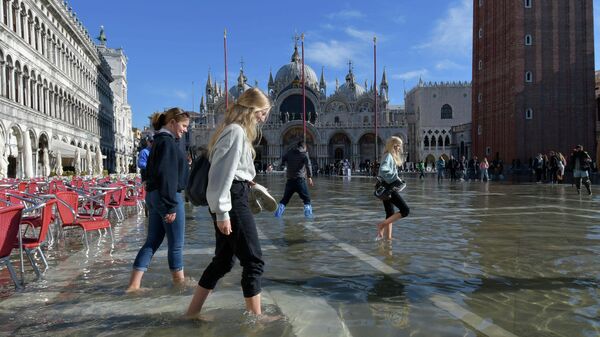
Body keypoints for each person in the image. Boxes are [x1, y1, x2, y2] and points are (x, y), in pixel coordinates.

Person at [186, 88, 272, 319]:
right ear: (253, 110)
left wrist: (250, 185)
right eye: (263, 112)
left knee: (223, 261)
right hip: (231, 200)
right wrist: (222, 212)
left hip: (234, 195)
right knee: (254, 260)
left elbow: (234, 171)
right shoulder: (235, 132)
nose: (264, 118)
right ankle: (256, 318)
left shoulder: (236, 131)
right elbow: (220, 175)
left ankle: (192, 312)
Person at [126, 108, 190, 292]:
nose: (185, 130)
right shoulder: (168, 143)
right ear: (172, 123)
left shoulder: (157, 141)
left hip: (153, 196)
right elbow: (168, 175)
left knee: (152, 241)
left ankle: (133, 285)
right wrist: (170, 206)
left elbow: (149, 171)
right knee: (176, 245)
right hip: (168, 196)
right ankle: (180, 285)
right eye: (183, 126)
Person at [375, 136, 409, 241]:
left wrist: (398, 180)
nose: (400, 148)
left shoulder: (388, 155)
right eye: (399, 146)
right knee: (405, 210)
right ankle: (381, 225)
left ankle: (388, 238)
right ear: (394, 146)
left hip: (385, 186)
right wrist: (395, 179)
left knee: (390, 213)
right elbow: (383, 170)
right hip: (387, 187)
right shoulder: (388, 155)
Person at [273, 141, 314, 218]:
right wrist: (309, 177)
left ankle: (277, 216)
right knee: (307, 200)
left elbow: (281, 160)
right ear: (304, 147)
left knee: (284, 200)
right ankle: (309, 219)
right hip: (300, 181)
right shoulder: (304, 154)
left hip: (290, 181)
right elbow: (308, 165)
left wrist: (272, 165)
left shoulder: (289, 153)